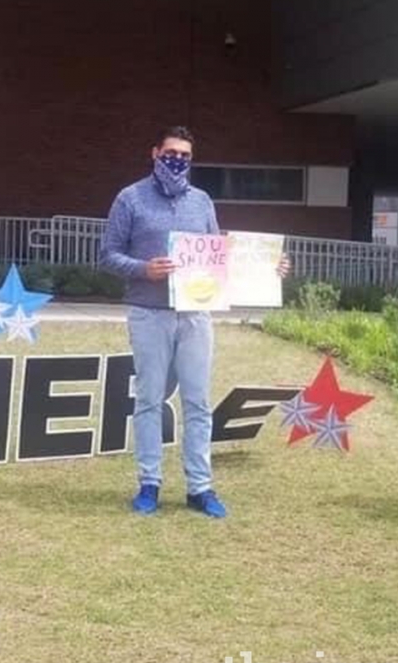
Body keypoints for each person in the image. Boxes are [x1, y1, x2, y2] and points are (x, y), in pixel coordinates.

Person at [99, 126, 288, 518]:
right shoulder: (129, 198)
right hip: (149, 312)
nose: (177, 161)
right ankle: (149, 482)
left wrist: (269, 269)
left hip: (196, 314)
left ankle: (199, 487)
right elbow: (108, 255)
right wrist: (143, 269)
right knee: (150, 399)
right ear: (154, 153)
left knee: (198, 402)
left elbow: (219, 258)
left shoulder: (201, 201)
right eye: (170, 153)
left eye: (184, 155)